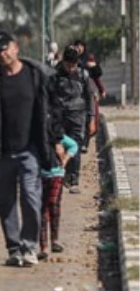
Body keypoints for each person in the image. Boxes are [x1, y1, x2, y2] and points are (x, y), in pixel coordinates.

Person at [0, 32, 57, 267]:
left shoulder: (35, 75)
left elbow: (50, 109)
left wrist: (54, 140)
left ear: (16, 48)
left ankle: (29, 246)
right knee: (6, 202)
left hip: (30, 150)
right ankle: (14, 248)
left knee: (30, 198)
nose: (2, 54)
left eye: (5, 49)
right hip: (0, 152)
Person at [50, 45, 93, 195]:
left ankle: (74, 179)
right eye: (68, 65)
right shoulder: (55, 75)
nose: (70, 68)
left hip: (77, 116)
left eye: (73, 65)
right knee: (59, 146)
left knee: (75, 148)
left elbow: (89, 97)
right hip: (59, 116)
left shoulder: (83, 75)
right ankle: (59, 176)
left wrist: (91, 118)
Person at [40, 131, 79, 260]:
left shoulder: (59, 137)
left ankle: (55, 240)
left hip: (57, 175)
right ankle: (43, 246)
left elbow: (73, 145)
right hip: (38, 176)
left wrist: (66, 158)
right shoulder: (35, 136)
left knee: (54, 205)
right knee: (41, 211)